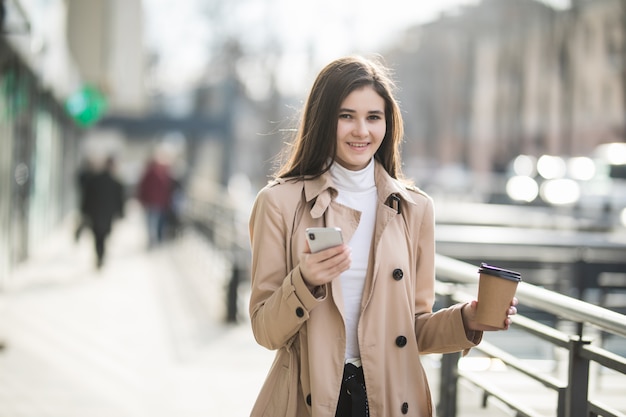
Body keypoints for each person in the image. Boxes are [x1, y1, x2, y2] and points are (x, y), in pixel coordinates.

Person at [247, 55, 518, 417]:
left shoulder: (415, 208)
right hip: (306, 401)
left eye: (373, 117)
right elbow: (266, 331)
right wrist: (306, 281)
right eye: (347, 116)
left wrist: (466, 320)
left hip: (391, 401)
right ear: (323, 119)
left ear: (388, 124)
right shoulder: (279, 203)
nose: (362, 131)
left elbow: (413, 330)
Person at [83, 156, 125, 269]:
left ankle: (100, 255)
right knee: (103, 236)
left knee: (98, 236)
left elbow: (86, 197)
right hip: (107, 214)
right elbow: (120, 200)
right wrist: (121, 213)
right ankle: (101, 255)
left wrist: (84, 211)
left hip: (95, 212)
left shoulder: (94, 180)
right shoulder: (115, 182)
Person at [137, 153, 173, 247]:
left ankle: (153, 240)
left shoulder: (162, 175)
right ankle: (152, 240)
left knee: (153, 222)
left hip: (157, 202)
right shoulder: (154, 174)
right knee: (152, 222)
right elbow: (143, 188)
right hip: (153, 202)